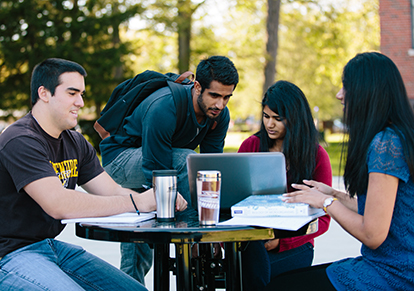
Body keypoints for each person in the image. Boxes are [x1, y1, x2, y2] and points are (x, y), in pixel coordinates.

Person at [0, 58, 187, 290]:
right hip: (9, 255)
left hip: (50, 247)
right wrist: (138, 201)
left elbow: (112, 190)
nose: (80, 102)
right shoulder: (21, 139)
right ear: (44, 93)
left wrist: (157, 198)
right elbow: (58, 204)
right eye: (72, 93)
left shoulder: (75, 141)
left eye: (82, 94)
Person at [264, 51, 414, 290]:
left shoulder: (386, 144)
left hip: (393, 275)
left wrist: (325, 202)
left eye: (346, 87)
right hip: (388, 266)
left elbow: (373, 235)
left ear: (366, 92)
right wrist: (333, 194)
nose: (339, 95)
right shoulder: (396, 136)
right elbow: (378, 209)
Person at [99, 55, 239, 284]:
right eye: (214, 95)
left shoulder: (219, 115)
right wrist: (194, 235)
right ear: (197, 87)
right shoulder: (165, 106)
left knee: (139, 241)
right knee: (185, 160)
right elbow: (157, 170)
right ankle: (195, 246)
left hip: (161, 159)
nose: (220, 105)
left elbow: (209, 166)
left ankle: (131, 286)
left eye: (226, 97)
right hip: (121, 159)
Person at [237, 80, 332, 290]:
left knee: (248, 273)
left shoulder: (316, 156)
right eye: (266, 117)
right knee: (250, 253)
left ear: (294, 119)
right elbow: (234, 198)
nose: (269, 124)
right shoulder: (251, 146)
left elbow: (323, 220)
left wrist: (282, 243)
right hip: (252, 242)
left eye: (278, 119)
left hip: (295, 246)